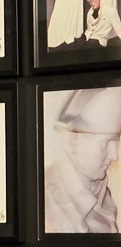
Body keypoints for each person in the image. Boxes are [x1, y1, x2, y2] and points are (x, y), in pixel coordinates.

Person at [44, 86, 121, 234]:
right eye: (106, 143)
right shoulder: (45, 199)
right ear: (72, 141)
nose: (114, 155)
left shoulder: (102, 193)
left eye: (116, 142)